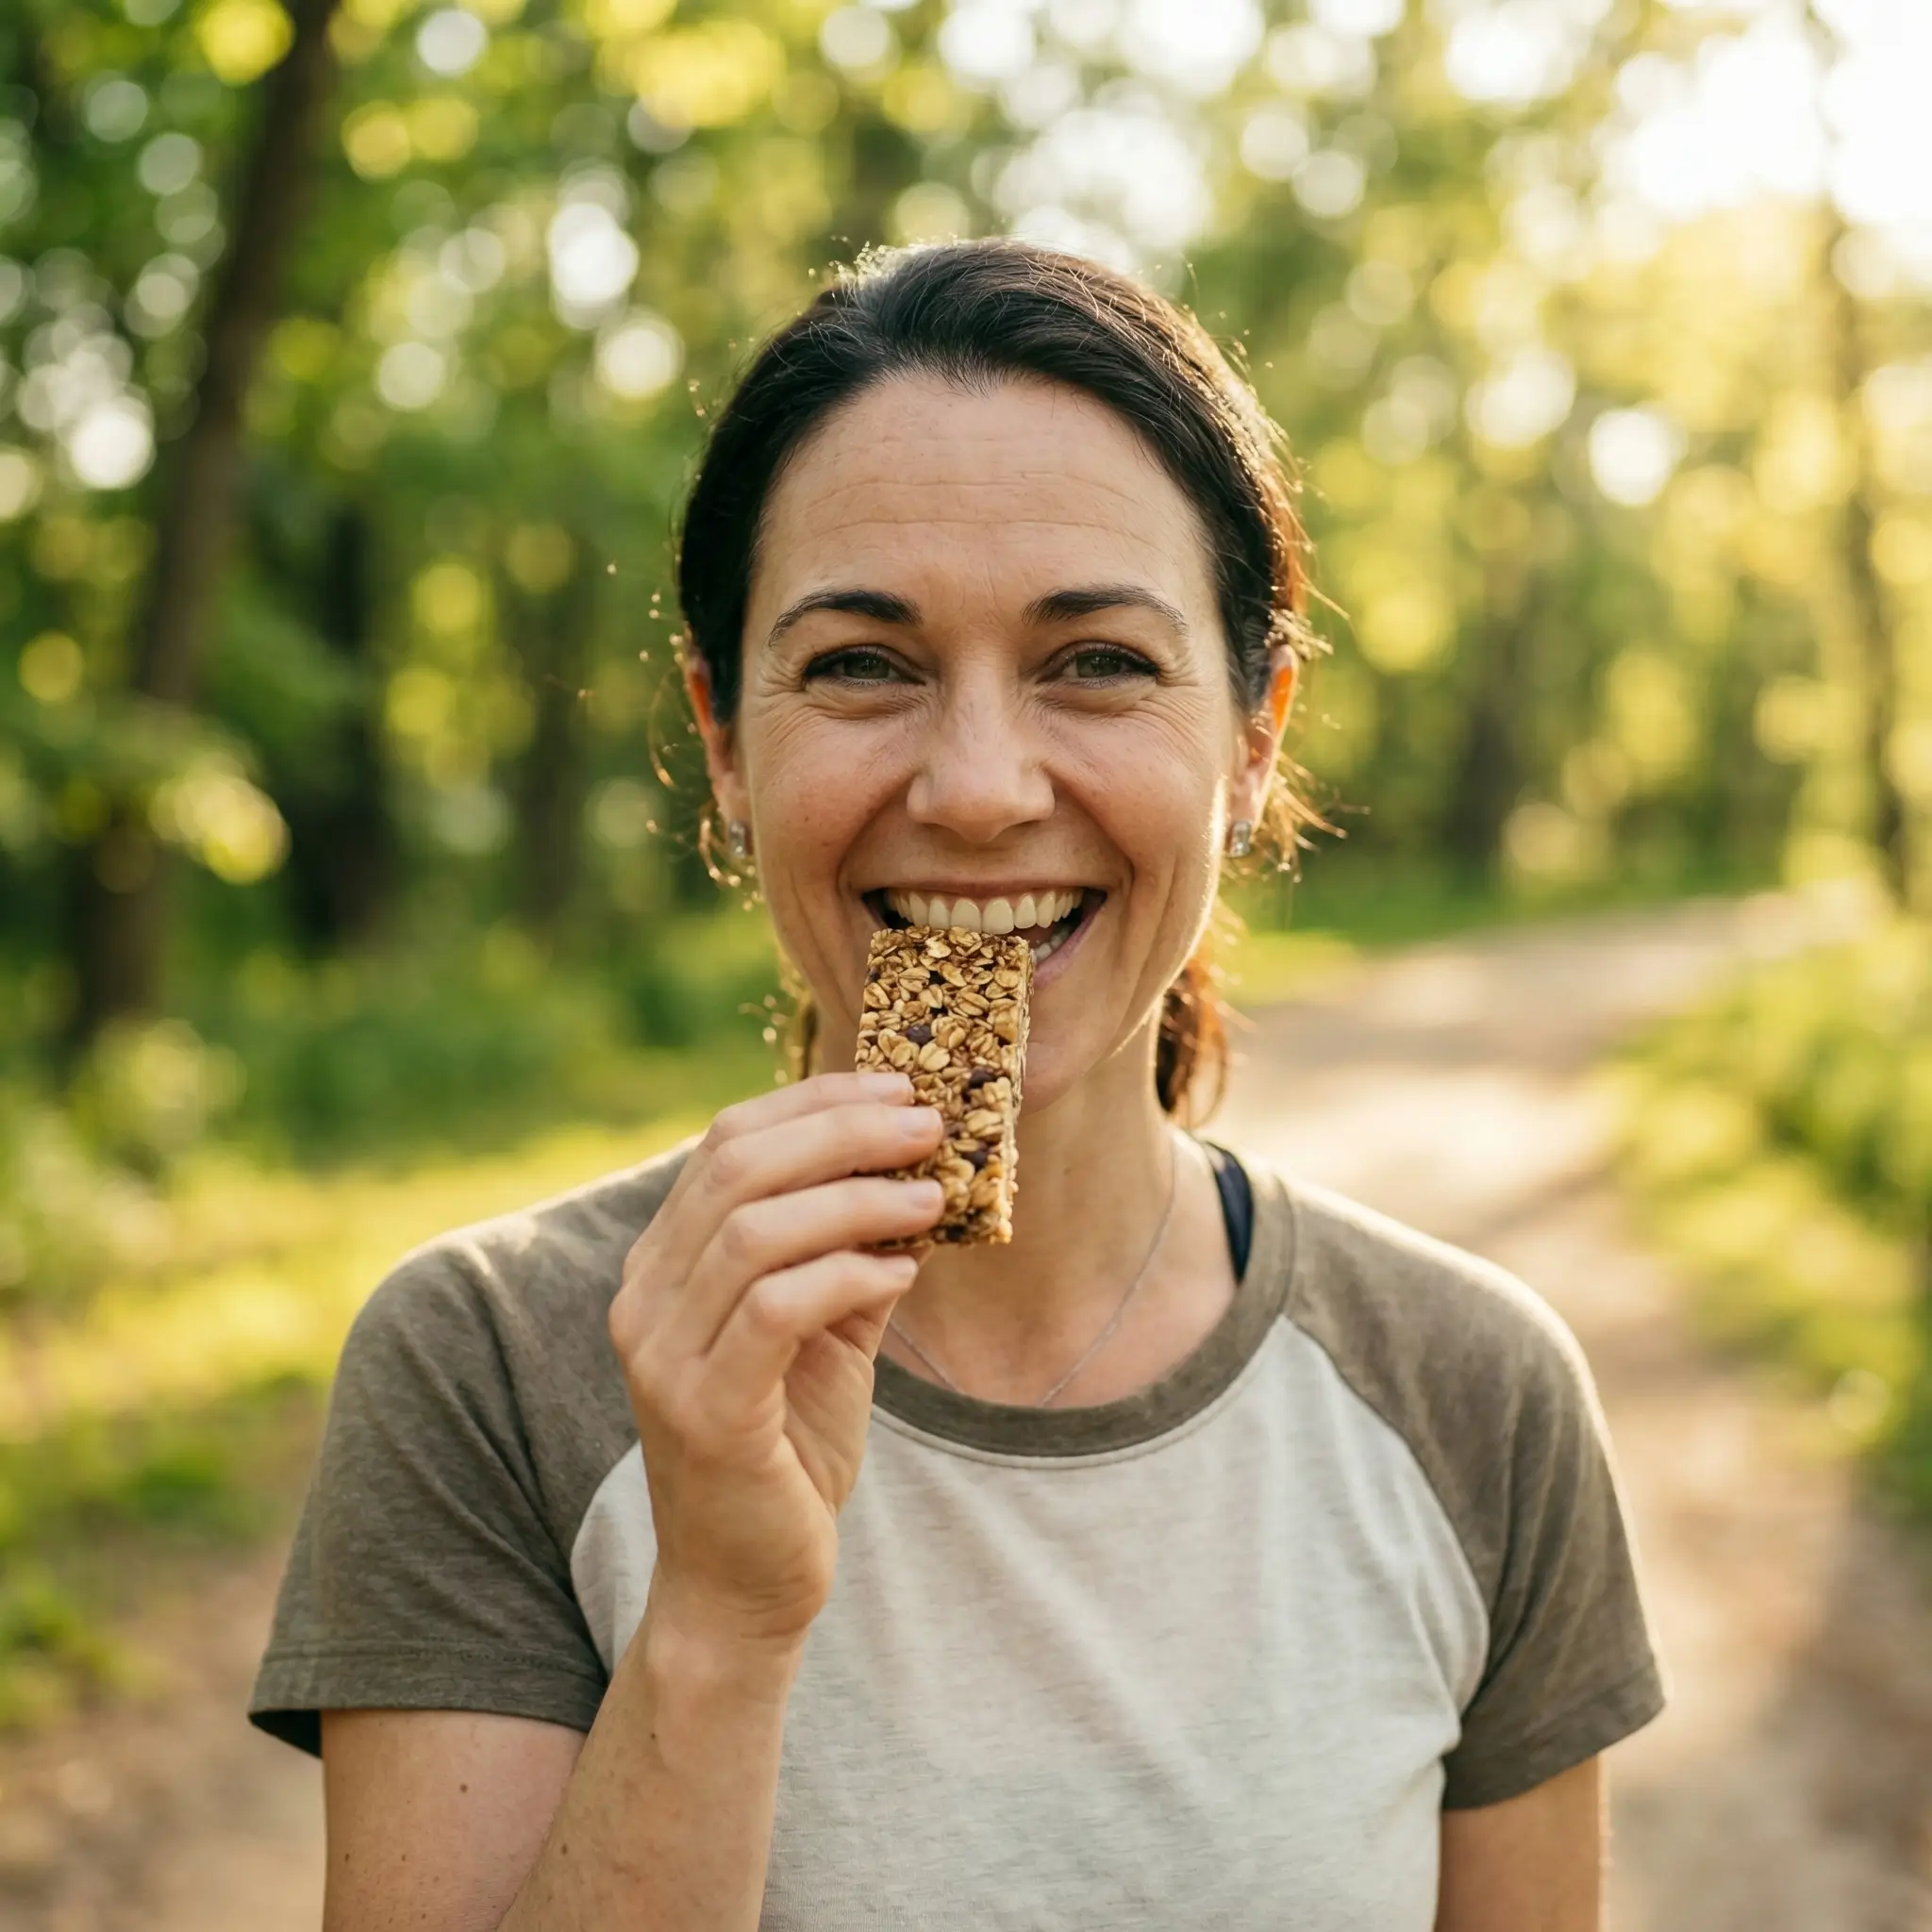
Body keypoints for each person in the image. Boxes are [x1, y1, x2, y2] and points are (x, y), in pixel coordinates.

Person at [251, 239, 1664, 1931]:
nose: (982, 788)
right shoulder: (488, 1367)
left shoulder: (1474, 1397)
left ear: (1257, 733)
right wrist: (713, 1625)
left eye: (1100, 662)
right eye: (863, 663)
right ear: (721, 735)